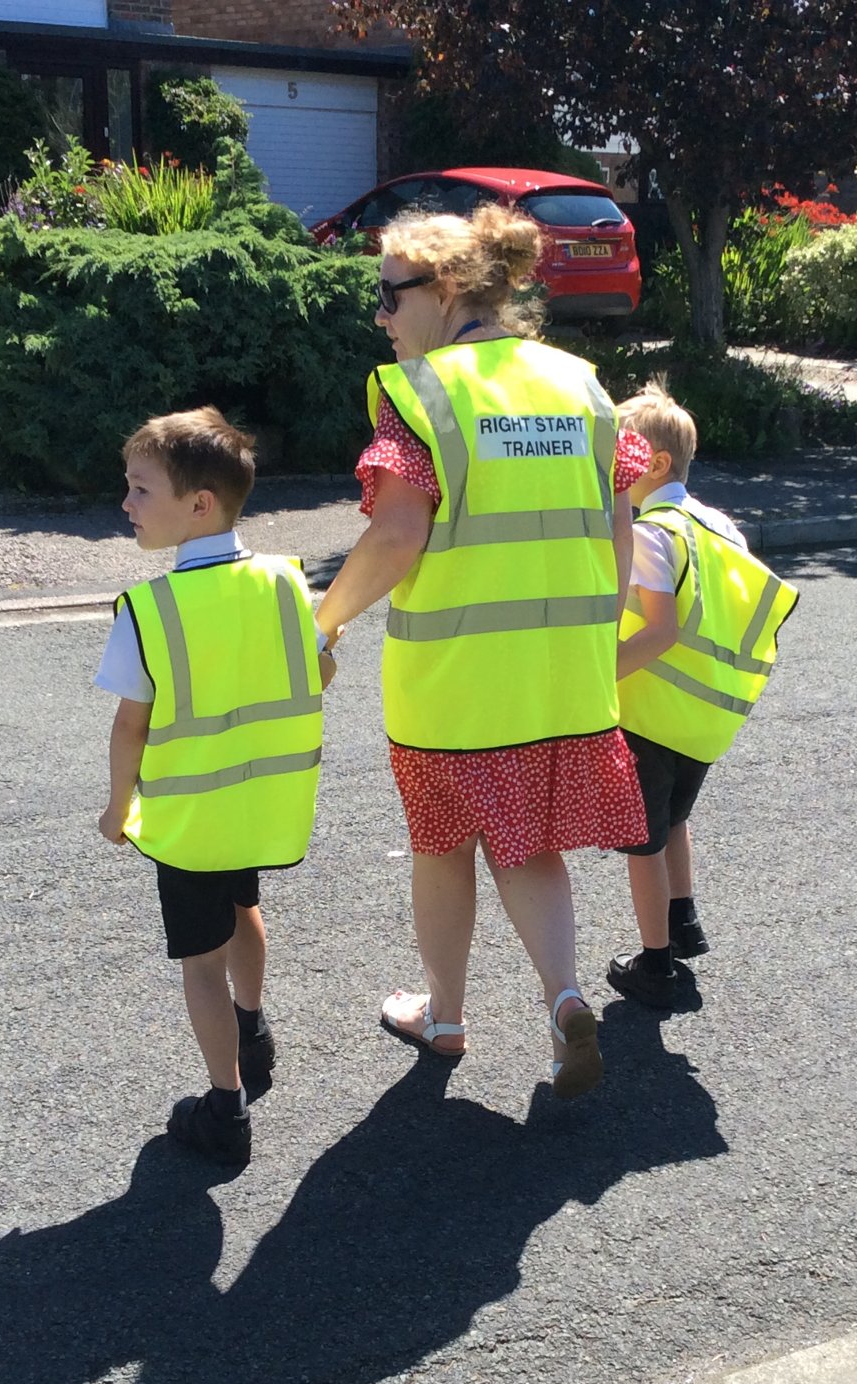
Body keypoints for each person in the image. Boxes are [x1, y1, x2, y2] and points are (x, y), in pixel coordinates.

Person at [311, 204, 654, 1100]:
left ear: (448, 288)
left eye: (390, 296)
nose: (381, 317)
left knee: (442, 844)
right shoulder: (582, 385)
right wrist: (592, 637)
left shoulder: (422, 396)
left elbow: (394, 538)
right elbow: (621, 530)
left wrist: (323, 622)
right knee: (531, 844)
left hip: (456, 684)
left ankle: (446, 1016)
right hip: (560, 681)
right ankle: (565, 996)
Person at [93, 406, 328, 1167]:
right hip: (261, 803)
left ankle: (224, 1108)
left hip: (190, 814)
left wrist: (116, 805)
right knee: (244, 909)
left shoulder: (150, 610)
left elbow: (131, 727)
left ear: (198, 505)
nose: (126, 504)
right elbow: (319, 671)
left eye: (140, 490)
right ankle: (252, 1030)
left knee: (201, 961)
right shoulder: (287, 582)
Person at [607, 382, 798, 1008]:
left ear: (655, 463)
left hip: (653, 714)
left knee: (644, 843)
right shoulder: (717, 523)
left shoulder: (653, 533)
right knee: (676, 820)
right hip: (708, 715)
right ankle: (683, 919)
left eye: (620, 456)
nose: (611, 468)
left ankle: (655, 963)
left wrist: (595, 675)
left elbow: (662, 630)